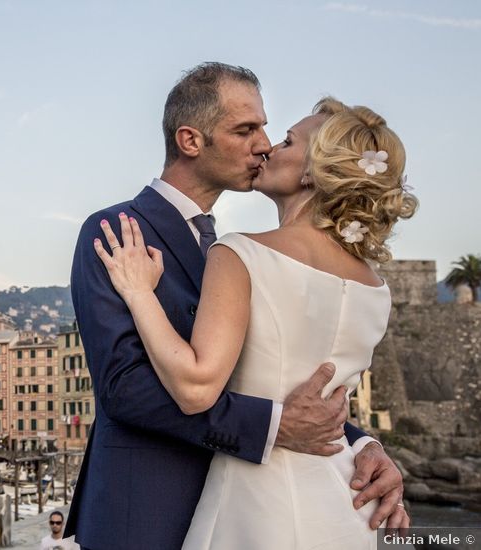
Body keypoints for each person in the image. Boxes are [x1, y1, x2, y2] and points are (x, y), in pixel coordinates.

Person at [64, 63, 408, 550]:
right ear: (190, 140)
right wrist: (272, 426)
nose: (264, 143)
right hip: (146, 514)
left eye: (268, 130)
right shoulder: (117, 230)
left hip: (253, 509)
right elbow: (124, 389)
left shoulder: (245, 250)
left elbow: (285, 380)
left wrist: (361, 443)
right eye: (246, 130)